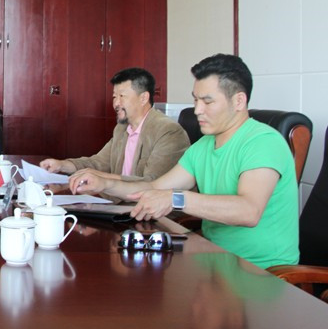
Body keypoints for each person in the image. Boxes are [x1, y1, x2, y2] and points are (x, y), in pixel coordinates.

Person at [70, 54, 299, 268]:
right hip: (213, 260)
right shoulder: (204, 146)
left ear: (239, 101)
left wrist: (176, 199)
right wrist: (105, 184)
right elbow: (154, 187)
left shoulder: (263, 142)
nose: (197, 110)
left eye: (207, 101)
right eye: (195, 100)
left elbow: (248, 211)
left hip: (261, 271)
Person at [40, 68, 189, 195]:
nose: (116, 103)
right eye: (114, 97)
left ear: (144, 98)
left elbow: (153, 184)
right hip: (119, 204)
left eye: (122, 96)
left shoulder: (168, 132)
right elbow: (98, 162)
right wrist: (61, 165)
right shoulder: (122, 129)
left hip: (149, 210)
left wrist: (103, 179)